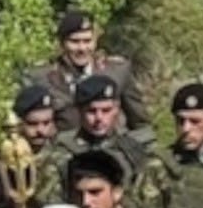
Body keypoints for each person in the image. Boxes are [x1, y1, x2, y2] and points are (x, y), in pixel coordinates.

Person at [53, 74, 169, 208]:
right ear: (80, 111)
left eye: (106, 110)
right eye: (91, 111)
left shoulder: (132, 150)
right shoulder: (62, 151)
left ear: (117, 110)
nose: (99, 118)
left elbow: (150, 204)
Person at [24, 9, 151, 137]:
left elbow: (141, 123)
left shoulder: (117, 72)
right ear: (62, 43)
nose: (82, 48)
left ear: (95, 42)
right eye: (75, 41)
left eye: (87, 41)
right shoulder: (43, 78)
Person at [15, 84, 66, 203]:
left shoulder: (62, 157)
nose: (40, 130)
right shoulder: (8, 157)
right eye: (32, 124)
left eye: (46, 123)